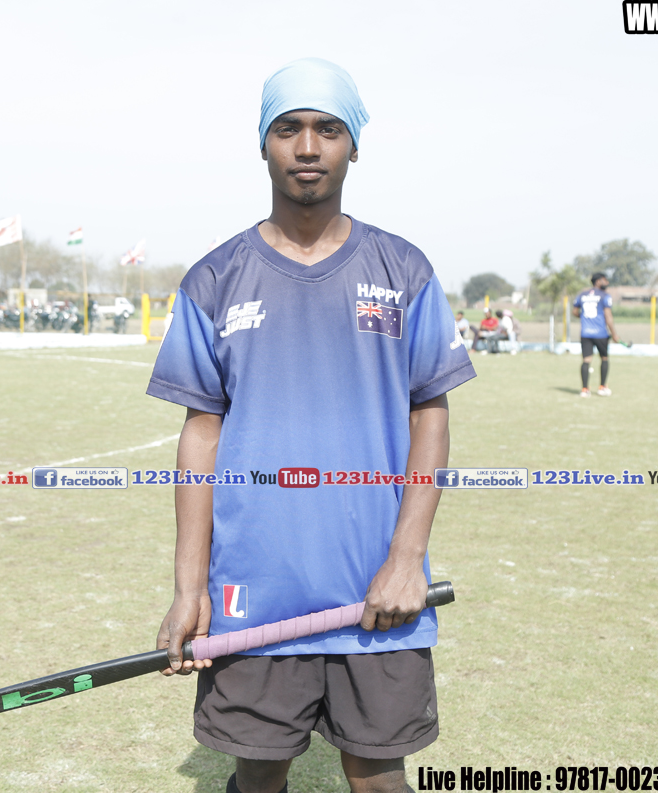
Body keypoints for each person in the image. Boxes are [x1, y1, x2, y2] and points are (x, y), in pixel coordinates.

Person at [147, 58, 475, 793]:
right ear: (262, 143)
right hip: (254, 595)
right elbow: (201, 434)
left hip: (376, 592)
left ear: (354, 145)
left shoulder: (404, 270)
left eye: (328, 129)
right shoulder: (214, 279)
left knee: (379, 779)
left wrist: (406, 558)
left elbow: (430, 411)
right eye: (287, 128)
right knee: (258, 776)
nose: (306, 147)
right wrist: (189, 586)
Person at [573, 272, 620, 397]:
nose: (607, 282)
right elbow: (608, 316)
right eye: (605, 280)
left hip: (586, 333)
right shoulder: (605, 296)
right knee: (604, 358)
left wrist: (583, 317)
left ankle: (584, 389)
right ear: (598, 281)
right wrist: (614, 334)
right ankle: (602, 387)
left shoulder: (582, 295)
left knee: (586, 360)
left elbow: (575, 311)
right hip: (600, 333)